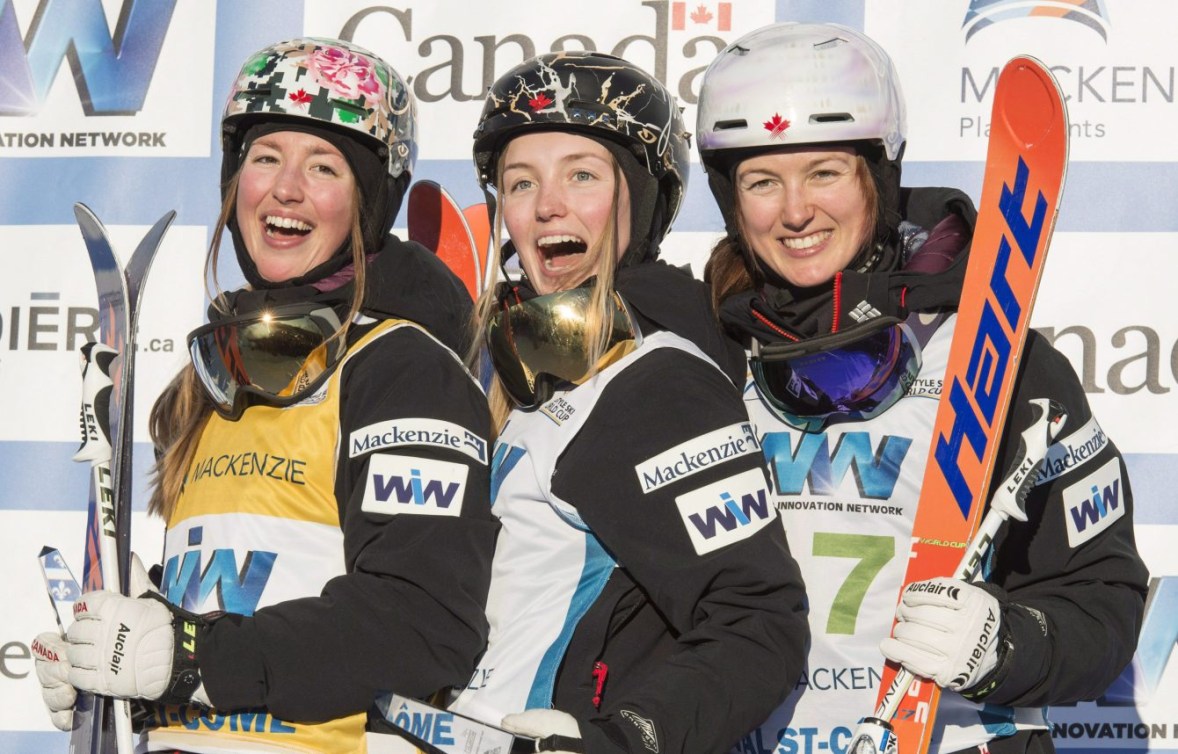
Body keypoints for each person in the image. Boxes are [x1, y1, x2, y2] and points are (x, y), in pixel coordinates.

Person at [32, 37, 497, 753]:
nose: (286, 188)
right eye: (265, 158)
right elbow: (236, 588)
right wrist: (118, 646)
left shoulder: (401, 369)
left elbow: (422, 618)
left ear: (368, 202)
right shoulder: (209, 378)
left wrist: (190, 656)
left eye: (323, 166)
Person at [696, 21, 1148, 754]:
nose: (795, 211)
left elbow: (1102, 594)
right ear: (729, 197)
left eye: (824, 173)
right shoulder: (710, 353)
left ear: (878, 176)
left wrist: (1005, 645)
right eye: (761, 181)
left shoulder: (995, 357)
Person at [442, 51, 810, 754]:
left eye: (581, 175)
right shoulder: (523, 371)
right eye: (521, 183)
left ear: (637, 199)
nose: (548, 205)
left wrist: (627, 739)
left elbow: (759, 619)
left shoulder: (656, 380)